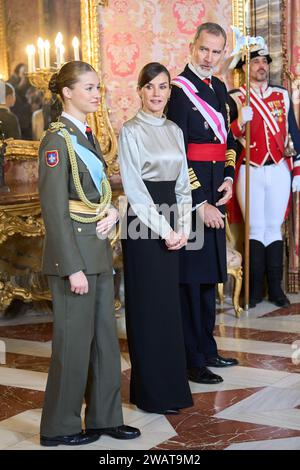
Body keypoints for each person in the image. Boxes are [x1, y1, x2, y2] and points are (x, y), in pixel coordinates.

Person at [38, 60, 140, 446]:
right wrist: (72, 267)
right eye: (89, 88)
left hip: (96, 251)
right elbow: (54, 210)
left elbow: (94, 192)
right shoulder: (56, 141)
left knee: (104, 342)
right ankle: (59, 427)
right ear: (67, 92)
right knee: (73, 344)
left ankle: (103, 418)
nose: (98, 94)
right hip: (75, 259)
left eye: (99, 87)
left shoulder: (85, 134)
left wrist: (113, 209)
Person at [118, 62, 193, 414]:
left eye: (162, 87)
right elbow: (134, 190)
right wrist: (165, 230)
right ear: (140, 90)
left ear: (169, 91)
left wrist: (183, 227)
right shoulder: (130, 131)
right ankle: (150, 393)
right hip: (143, 223)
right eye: (149, 87)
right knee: (147, 307)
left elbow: (182, 185)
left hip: (173, 224)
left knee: (168, 308)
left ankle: (172, 389)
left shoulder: (176, 130)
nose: (156, 93)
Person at [167, 22, 239, 385]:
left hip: (217, 191)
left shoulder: (221, 88)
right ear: (192, 47)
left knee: (210, 276)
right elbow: (175, 154)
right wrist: (199, 202)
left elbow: (228, 142)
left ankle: (207, 348)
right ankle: (192, 358)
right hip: (192, 200)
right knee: (191, 281)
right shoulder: (179, 93)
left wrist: (228, 178)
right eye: (204, 50)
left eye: (216, 51)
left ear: (223, 52)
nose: (209, 57)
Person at [229, 45, 300, 308]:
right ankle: (254, 290)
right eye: (255, 62)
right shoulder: (236, 97)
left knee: (274, 228)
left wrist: (297, 169)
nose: (261, 66)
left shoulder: (281, 95)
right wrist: (239, 123)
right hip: (250, 169)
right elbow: (226, 136)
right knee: (255, 228)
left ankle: (276, 290)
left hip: (279, 168)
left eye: (264, 62)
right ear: (244, 68)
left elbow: (293, 130)